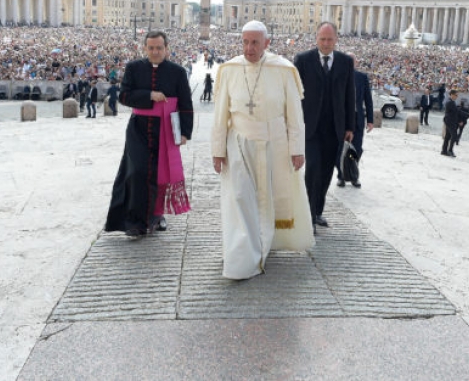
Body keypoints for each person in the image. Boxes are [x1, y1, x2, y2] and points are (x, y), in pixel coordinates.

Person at [211, 21, 313, 280]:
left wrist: (297, 149)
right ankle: (243, 252)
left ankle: (264, 243)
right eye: (245, 42)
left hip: (274, 144)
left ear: (267, 43)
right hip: (239, 144)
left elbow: (295, 115)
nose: (249, 48)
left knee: (267, 199)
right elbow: (220, 114)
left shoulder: (284, 70)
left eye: (255, 42)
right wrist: (217, 150)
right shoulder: (229, 69)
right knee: (240, 197)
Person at [104, 31, 193, 237]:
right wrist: (149, 96)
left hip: (166, 128)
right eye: (151, 48)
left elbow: (186, 104)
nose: (155, 51)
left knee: (160, 174)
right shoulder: (134, 68)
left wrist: (185, 133)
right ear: (145, 48)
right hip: (139, 128)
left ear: (166, 48)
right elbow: (124, 96)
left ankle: (156, 215)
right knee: (137, 172)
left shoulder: (177, 72)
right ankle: (134, 221)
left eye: (159, 48)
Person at [294, 22, 355, 233]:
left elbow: (350, 95)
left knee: (327, 171)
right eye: (322, 39)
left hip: (335, 128)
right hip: (310, 127)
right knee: (313, 170)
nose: (326, 43)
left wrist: (350, 126)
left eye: (330, 39)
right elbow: (294, 95)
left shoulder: (346, 62)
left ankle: (318, 211)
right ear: (316, 39)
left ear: (336, 39)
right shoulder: (303, 60)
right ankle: (307, 216)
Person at [337, 54, 373, 188]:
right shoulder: (337, 76)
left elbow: (368, 99)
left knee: (356, 149)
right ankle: (341, 176)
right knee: (341, 150)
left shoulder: (362, 77)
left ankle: (353, 175)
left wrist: (370, 120)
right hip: (342, 120)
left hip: (357, 120)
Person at [441, 89, 461, 157]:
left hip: (449, 121)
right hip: (450, 122)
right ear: (452, 95)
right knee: (454, 136)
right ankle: (450, 150)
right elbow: (457, 111)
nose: (457, 96)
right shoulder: (450, 102)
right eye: (456, 95)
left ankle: (444, 151)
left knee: (447, 136)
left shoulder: (452, 102)